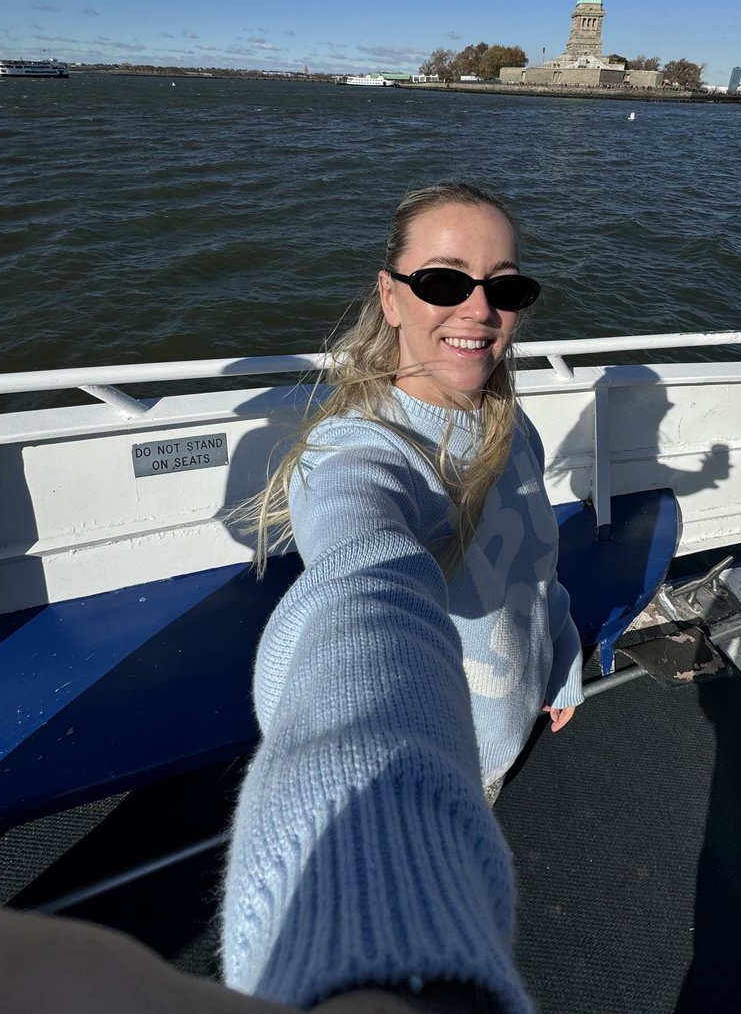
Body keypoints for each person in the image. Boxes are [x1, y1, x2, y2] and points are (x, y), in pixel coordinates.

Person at [222, 180, 583, 1010]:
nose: (480, 309)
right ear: (390, 294)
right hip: (445, 754)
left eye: (506, 286)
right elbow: (364, 581)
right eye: (445, 280)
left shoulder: (504, 414)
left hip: (521, 702)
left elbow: (534, 561)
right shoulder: (362, 453)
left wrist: (559, 653)